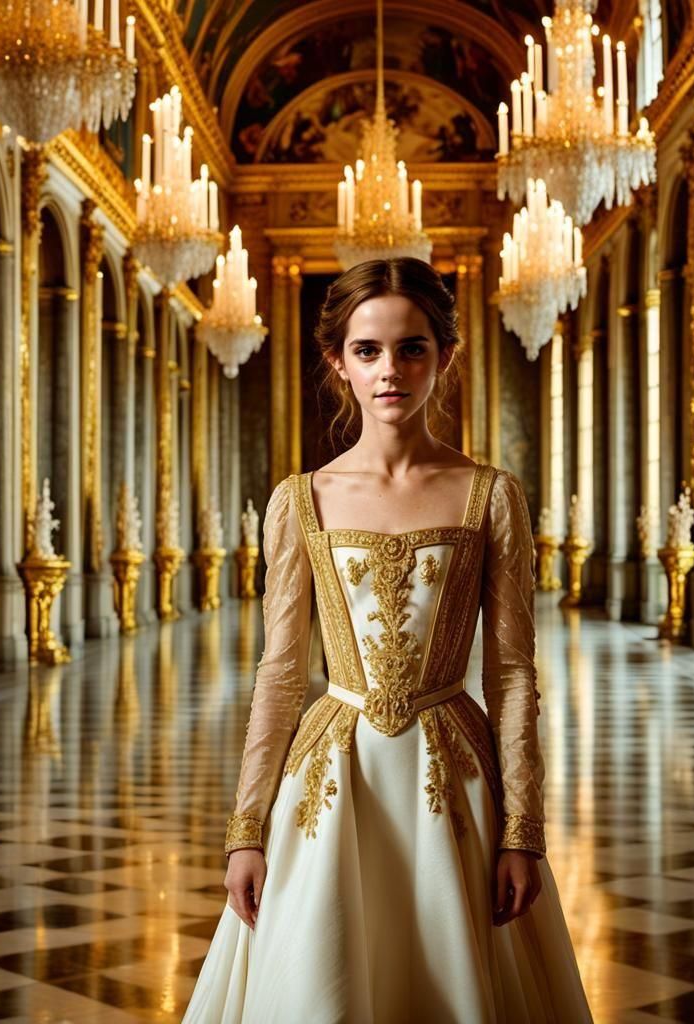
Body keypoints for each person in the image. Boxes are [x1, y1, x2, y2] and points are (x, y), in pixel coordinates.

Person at [183, 258, 593, 1023]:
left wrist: (522, 832)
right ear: (338, 361)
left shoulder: (490, 494)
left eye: (411, 348)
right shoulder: (299, 501)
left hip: (456, 786)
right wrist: (246, 829)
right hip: (333, 788)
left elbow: (511, 674)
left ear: (443, 356)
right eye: (367, 350)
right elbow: (279, 674)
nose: (390, 370)